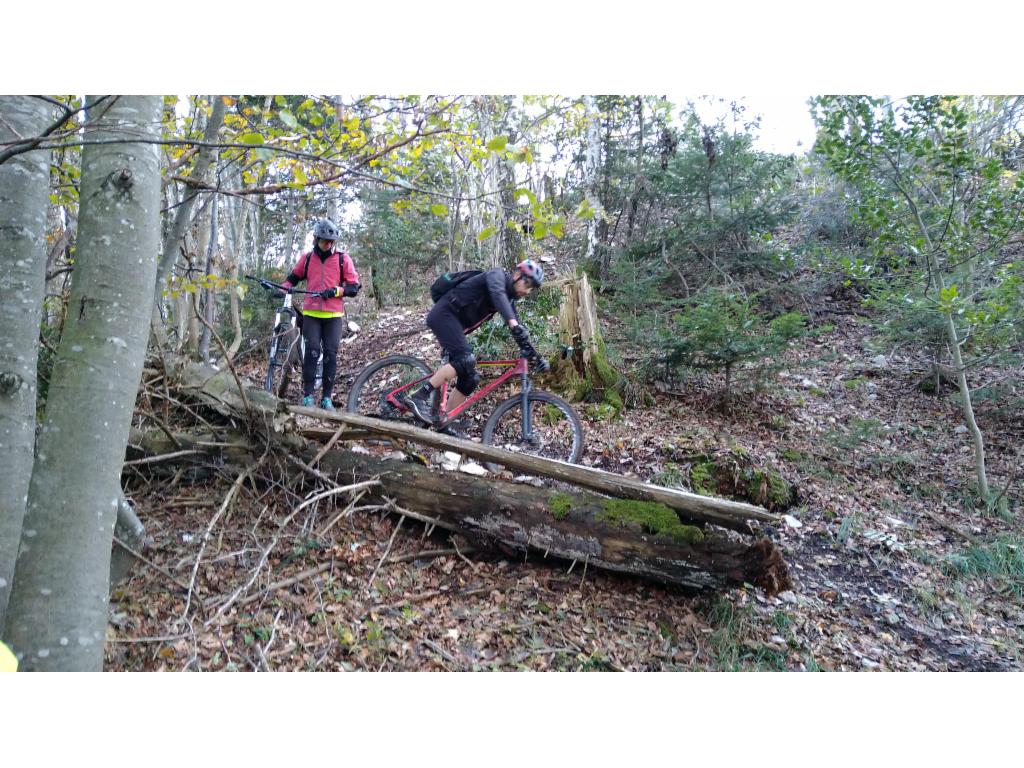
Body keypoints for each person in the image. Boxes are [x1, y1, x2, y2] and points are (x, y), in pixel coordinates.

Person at [403, 259, 549, 427]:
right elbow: (497, 294)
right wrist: (513, 323)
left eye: (532, 288)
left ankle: (444, 423)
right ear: (517, 275)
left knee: (470, 379)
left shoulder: (509, 301)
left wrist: (535, 355)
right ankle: (419, 396)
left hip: (454, 327)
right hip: (443, 315)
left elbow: (518, 330)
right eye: (528, 284)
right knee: (466, 359)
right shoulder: (497, 275)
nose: (528, 291)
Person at [279, 218, 360, 410]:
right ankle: (307, 396)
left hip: (333, 317)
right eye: (324, 240)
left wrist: (337, 291)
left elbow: (354, 287)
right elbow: (293, 278)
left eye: (331, 241)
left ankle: (326, 398)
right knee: (313, 352)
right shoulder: (307, 259)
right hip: (311, 315)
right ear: (316, 239)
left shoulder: (342, 259)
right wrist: (282, 289)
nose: (328, 244)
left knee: (331, 355)